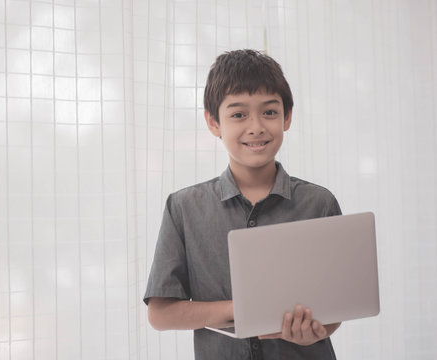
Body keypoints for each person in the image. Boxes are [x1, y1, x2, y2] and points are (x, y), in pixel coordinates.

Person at [143, 49, 342, 360]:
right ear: (213, 122)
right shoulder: (183, 207)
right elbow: (160, 314)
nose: (256, 127)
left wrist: (311, 332)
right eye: (238, 114)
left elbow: (334, 310)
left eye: (270, 112)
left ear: (287, 117)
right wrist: (242, 311)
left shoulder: (319, 203)